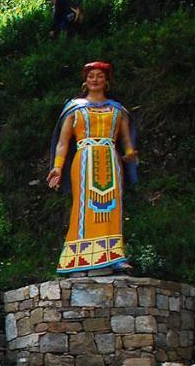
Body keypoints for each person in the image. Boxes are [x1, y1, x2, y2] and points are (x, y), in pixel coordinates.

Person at [46, 61, 136, 274]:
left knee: (113, 207)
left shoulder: (117, 109)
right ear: (85, 81)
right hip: (84, 159)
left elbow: (125, 138)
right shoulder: (75, 108)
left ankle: (115, 255)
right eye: (91, 76)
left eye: (99, 76)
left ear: (107, 81)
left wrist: (131, 152)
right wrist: (57, 167)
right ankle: (78, 257)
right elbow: (63, 141)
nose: (95, 79)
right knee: (84, 206)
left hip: (110, 158)